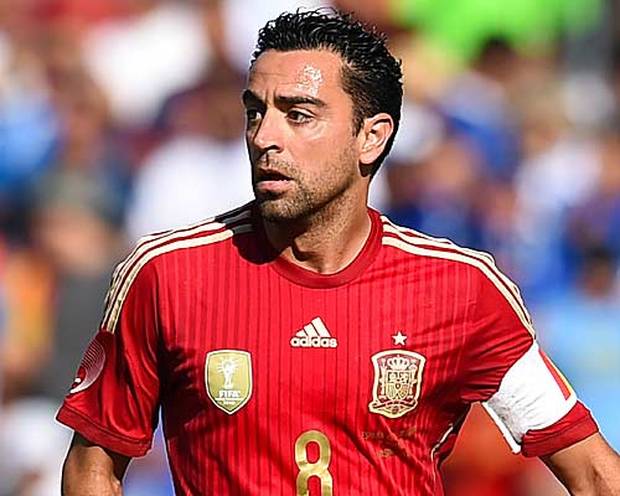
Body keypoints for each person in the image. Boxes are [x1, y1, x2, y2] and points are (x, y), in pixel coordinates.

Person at [58, 9, 620, 495]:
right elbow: (92, 465)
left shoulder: (463, 288)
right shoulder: (167, 275)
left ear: (371, 137)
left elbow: (595, 474)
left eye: (298, 114)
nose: (264, 136)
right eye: (256, 111)